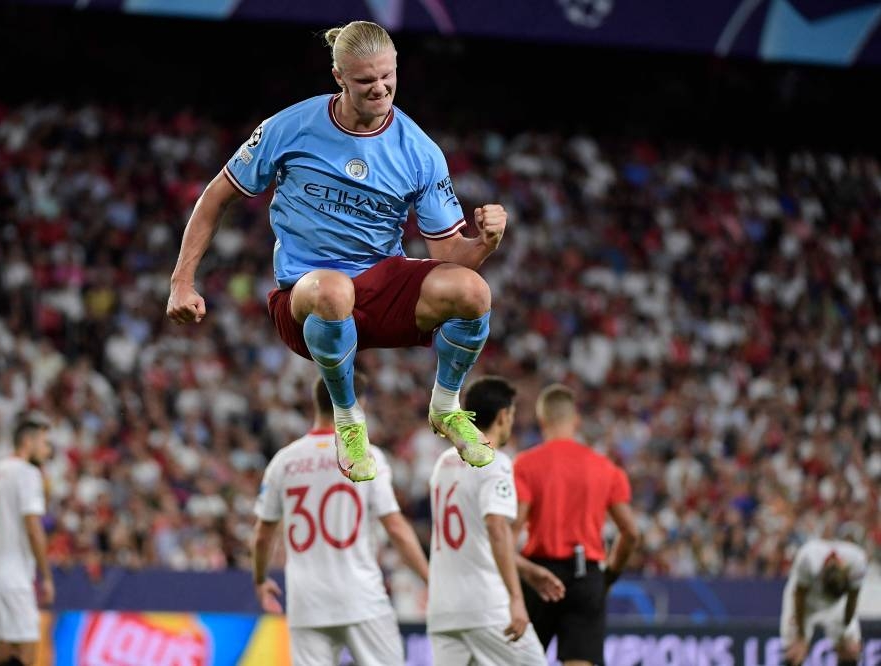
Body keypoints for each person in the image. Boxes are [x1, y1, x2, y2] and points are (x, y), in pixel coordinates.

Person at [167, 20, 508, 482]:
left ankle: (446, 406)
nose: (380, 88)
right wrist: (182, 282)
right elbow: (216, 197)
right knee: (332, 291)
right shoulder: (291, 127)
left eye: (387, 75)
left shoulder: (419, 151)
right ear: (339, 77)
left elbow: (450, 253)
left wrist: (485, 242)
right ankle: (347, 418)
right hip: (307, 301)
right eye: (366, 80)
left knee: (474, 291)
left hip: (379, 291)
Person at [251, 374, 430, 666]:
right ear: (357, 405)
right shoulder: (367, 457)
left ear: (316, 403)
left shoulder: (284, 461)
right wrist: (429, 578)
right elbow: (396, 527)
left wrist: (260, 580)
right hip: (361, 598)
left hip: (306, 603)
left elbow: (262, 535)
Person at [427, 376, 555, 665]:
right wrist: (516, 598)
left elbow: (474, 539)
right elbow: (496, 528)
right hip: (486, 607)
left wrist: (526, 570)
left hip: (443, 611)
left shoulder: (444, 463)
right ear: (502, 416)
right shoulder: (495, 462)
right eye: (512, 415)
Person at [512, 384, 639, 666]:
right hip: (586, 575)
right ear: (576, 420)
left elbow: (510, 534)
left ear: (542, 420)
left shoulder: (525, 465)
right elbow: (630, 533)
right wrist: (609, 575)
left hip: (539, 575)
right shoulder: (605, 467)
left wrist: (522, 570)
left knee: (520, 662)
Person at [0, 413, 54, 666]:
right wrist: (46, 576)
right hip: (13, 578)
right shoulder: (27, 473)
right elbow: (33, 527)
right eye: (44, 443)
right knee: (28, 654)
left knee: (4, 655)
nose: (47, 450)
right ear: (27, 442)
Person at [780, 535, 867, 666]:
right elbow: (799, 597)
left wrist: (845, 630)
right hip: (806, 602)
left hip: (838, 605)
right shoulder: (808, 559)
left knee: (850, 651)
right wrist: (801, 635)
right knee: (794, 654)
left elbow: (852, 599)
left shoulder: (857, 561)